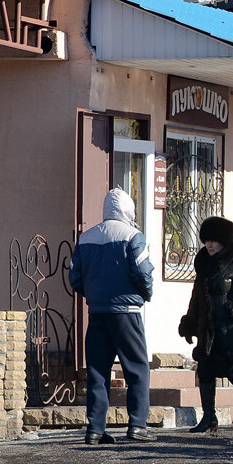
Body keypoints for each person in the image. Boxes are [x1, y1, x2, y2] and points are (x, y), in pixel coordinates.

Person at [69, 187, 155, 444]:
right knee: (137, 369)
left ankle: (95, 429)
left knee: (97, 370)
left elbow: (75, 277)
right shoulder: (133, 236)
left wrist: (93, 295)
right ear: (128, 210)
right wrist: (145, 295)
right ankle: (137, 425)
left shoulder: (85, 238)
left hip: (97, 312)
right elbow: (143, 274)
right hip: (127, 312)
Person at [179, 216, 233, 432]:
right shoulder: (204, 265)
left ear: (224, 242)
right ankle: (209, 417)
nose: (209, 245)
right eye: (207, 240)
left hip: (232, 329)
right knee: (206, 371)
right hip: (208, 330)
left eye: (214, 241)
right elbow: (197, 297)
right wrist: (190, 322)